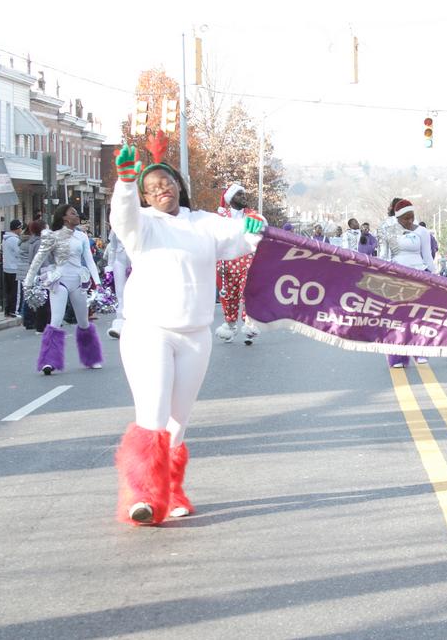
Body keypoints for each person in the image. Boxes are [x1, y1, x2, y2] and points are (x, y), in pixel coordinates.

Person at [109, 142, 266, 525]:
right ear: (146, 196)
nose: (162, 189)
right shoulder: (143, 225)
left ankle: (170, 489)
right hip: (149, 332)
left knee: (178, 422)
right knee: (154, 412)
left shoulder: (204, 223)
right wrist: (127, 183)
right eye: (153, 186)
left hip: (196, 335)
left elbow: (240, 239)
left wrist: (253, 227)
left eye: (168, 182)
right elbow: (123, 216)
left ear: (179, 186)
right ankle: (142, 496)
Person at [23, 206, 104, 375]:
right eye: (73, 213)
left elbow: (89, 261)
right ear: (65, 218)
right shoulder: (52, 236)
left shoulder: (82, 236)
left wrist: (98, 283)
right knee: (56, 319)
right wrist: (28, 282)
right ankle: (49, 361)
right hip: (59, 279)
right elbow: (38, 260)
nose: (77, 216)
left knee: (83, 322)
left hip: (78, 280)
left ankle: (91, 358)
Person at [377, 198, 435, 368]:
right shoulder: (387, 230)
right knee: (398, 318)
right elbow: (382, 255)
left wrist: (434, 277)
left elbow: (428, 256)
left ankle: (420, 352)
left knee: (420, 317)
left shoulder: (423, 232)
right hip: (397, 276)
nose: (409, 221)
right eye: (405, 218)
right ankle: (397, 357)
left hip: (420, 275)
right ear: (398, 218)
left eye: (412, 217)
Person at [214, 183, 261, 345]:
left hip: (247, 262)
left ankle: (249, 325)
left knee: (248, 294)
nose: (244, 197)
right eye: (240, 195)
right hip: (226, 264)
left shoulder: (252, 215)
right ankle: (230, 325)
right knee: (228, 296)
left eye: (244, 194)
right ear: (230, 199)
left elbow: (261, 230)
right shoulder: (221, 217)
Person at [1, 219, 23, 317]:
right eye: (20, 228)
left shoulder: (5, 239)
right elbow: (19, 253)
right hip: (14, 268)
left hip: (6, 267)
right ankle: (14, 310)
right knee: (15, 292)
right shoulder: (15, 240)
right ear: (17, 228)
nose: (21, 230)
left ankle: (8, 310)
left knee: (8, 291)